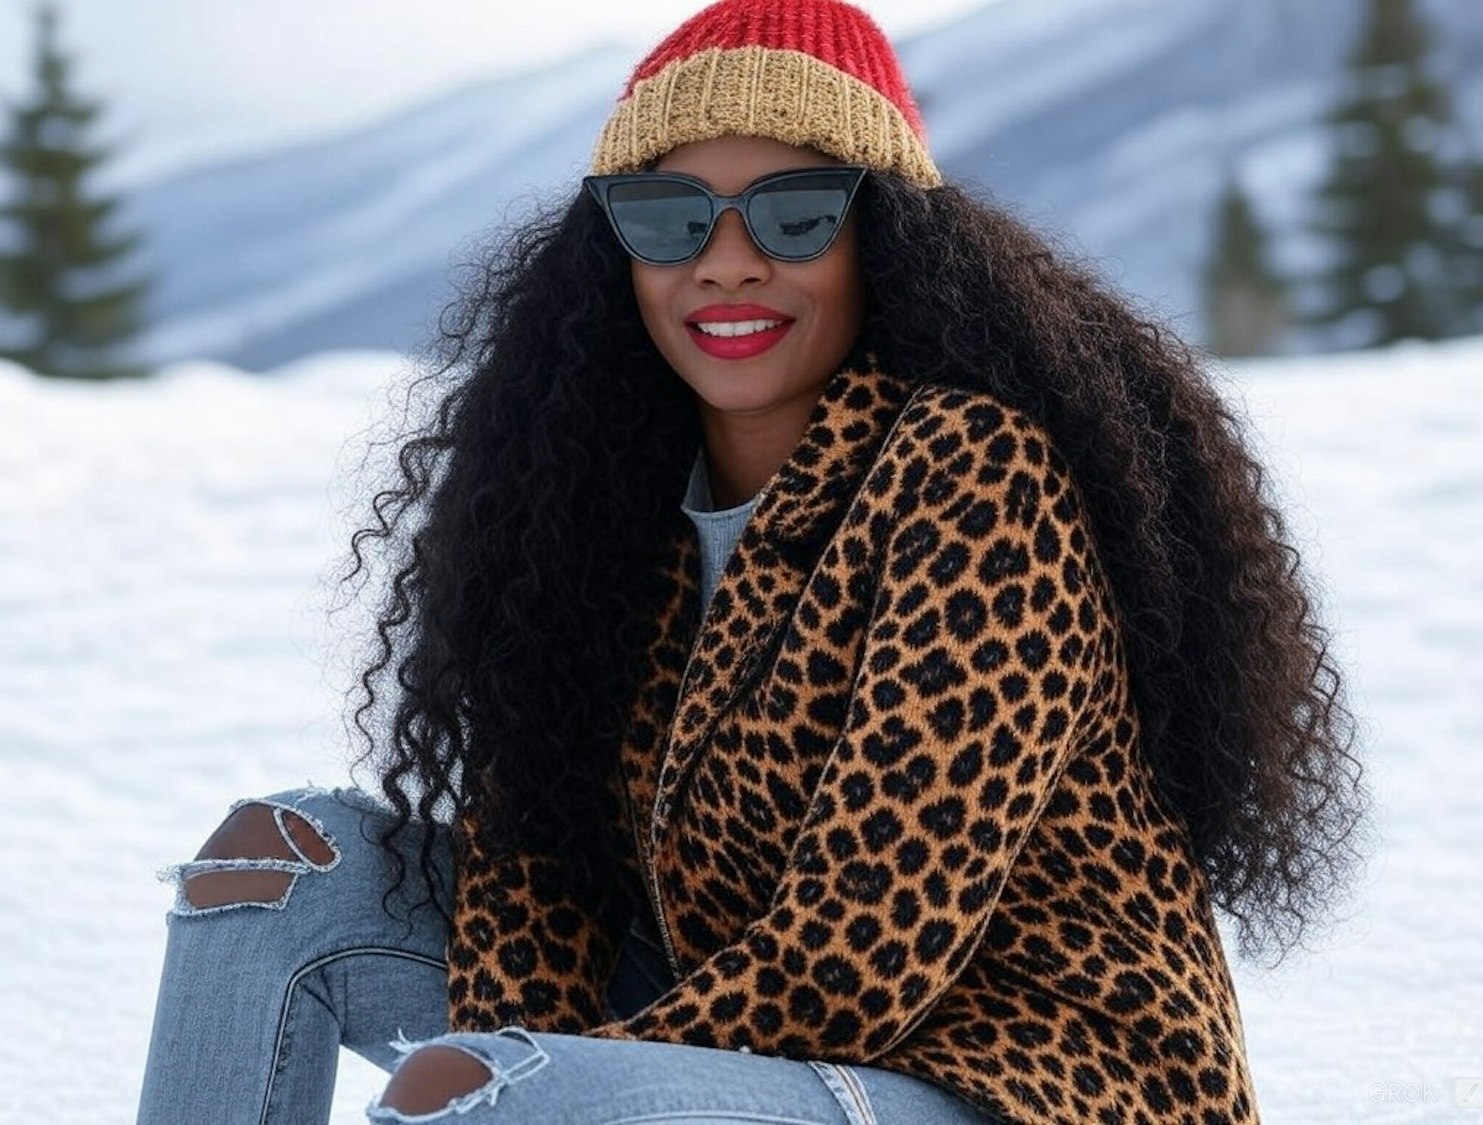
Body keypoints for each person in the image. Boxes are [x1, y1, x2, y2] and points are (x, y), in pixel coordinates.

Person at [136, 1, 1367, 1122]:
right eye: (670, 217)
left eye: (794, 212)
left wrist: (542, 1082)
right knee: (270, 874)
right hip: (732, 1019)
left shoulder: (972, 472)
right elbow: (538, 876)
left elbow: (863, 951)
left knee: (500, 1096)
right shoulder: (593, 500)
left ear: (882, 239)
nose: (726, 260)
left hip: (1024, 1077)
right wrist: (538, 1060)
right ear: (613, 252)